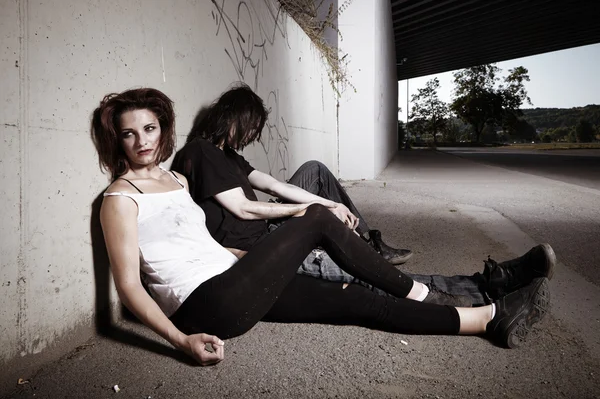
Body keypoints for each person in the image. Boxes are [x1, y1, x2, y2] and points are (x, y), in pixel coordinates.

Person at [92, 87, 551, 366]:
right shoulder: (119, 198)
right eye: (130, 134)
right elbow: (130, 287)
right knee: (316, 218)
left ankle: (489, 318)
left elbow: (205, 243)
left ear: (161, 129)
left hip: (235, 281)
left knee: (362, 300)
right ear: (119, 140)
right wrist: (180, 340)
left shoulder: (175, 179)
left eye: (149, 129)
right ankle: (425, 288)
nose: (141, 142)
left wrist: (261, 264)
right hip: (204, 306)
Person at [171, 84, 556, 307]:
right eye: (251, 128)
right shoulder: (199, 153)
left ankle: (369, 243)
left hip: (272, 232)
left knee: (316, 173)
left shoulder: (230, 157)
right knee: (381, 280)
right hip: (264, 246)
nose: (252, 136)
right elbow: (242, 207)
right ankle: (488, 288)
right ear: (234, 117)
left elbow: (274, 185)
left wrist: (328, 203)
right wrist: (309, 212)